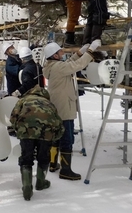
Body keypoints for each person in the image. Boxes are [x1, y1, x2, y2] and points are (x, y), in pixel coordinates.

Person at [42, 40, 101, 180]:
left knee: (56, 135)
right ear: (55, 56)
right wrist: (90, 51)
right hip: (64, 106)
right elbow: (77, 65)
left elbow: (69, 64)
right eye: (60, 52)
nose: (63, 53)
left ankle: (52, 163)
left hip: (56, 105)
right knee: (67, 138)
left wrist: (80, 52)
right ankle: (65, 170)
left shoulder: (52, 66)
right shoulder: (58, 67)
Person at [10, 85, 64, 201]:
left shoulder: (23, 101)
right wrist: (55, 137)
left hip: (25, 131)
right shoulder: (49, 104)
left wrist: (17, 129)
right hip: (46, 133)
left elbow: (13, 117)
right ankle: (41, 182)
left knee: (26, 158)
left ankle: (27, 186)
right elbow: (58, 123)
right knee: (43, 157)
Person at [3, 43, 21, 136]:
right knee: (14, 108)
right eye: (11, 48)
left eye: (13, 47)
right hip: (14, 88)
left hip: (17, 87)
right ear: (7, 51)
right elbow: (16, 72)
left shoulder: (16, 58)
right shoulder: (10, 62)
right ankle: (11, 128)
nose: (13, 49)